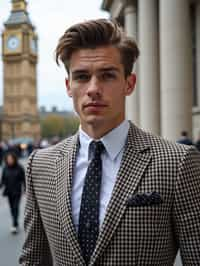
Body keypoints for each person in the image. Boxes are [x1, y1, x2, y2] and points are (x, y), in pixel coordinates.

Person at [19, 19, 200, 265]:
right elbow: (32, 260)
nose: (93, 88)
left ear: (129, 83)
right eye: (82, 77)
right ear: (68, 86)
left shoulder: (178, 163)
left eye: (107, 75)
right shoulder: (39, 165)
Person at [0, 152, 25, 234]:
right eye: (8, 159)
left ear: (14, 159)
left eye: (11, 159)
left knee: (15, 207)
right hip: (9, 191)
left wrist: (25, 188)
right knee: (11, 208)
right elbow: (3, 180)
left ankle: (14, 224)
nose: (10, 161)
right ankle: (16, 223)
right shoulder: (5, 168)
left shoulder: (19, 168)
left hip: (17, 191)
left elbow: (24, 179)